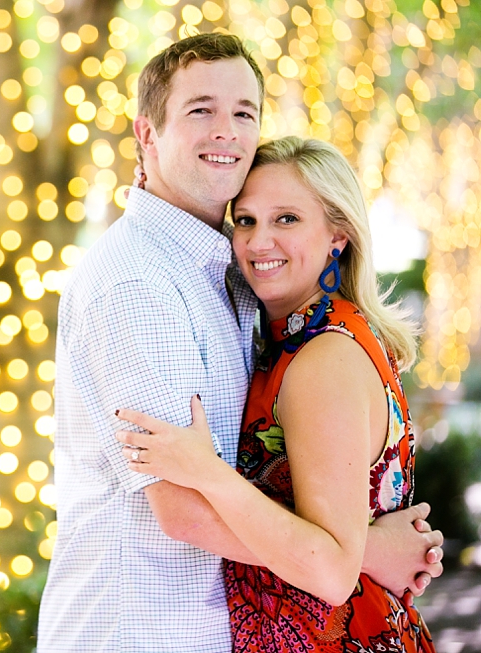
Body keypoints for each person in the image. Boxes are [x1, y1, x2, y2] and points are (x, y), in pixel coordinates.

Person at [37, 33, 442, 653]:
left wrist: (347, 545)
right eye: (201, 109)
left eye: (243, 113)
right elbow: (180, 505)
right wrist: (359, 552)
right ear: (146, 135)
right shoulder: (136, 284)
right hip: (140, 630)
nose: (226, 130)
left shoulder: (233, 280)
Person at [115, 136, 434, 650]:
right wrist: (375, 549)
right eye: (246, 220)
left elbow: (331, 571)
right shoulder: (296, 338)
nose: (260, 241)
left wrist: (207, 473)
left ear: (338, 236)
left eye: (286, 219)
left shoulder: (322, 359)